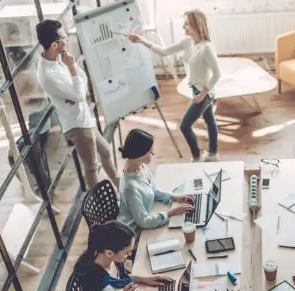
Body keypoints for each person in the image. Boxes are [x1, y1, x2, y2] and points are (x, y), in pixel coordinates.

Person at [36, 19, 119, 189]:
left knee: (105, 151)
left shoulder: (58, 59)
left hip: (84, 118)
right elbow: (81, 94)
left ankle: (120, 185)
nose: (67, 39)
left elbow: (82, 81)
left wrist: (74, 73)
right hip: (78, 125)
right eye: (64, 37)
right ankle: (100, 206)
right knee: (91, 167)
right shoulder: (50, 74)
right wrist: (73, 68)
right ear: (54, 45)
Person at [129, 9, 221, 162]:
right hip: (196, 89)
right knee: (210, 121)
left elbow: (217, 74)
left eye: (186, 24)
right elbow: (164, 52)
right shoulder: (187, 42)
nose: (183, 27)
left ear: (196, 26)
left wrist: (203, 94)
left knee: (185, 126)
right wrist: (141, 41)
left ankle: (197, 157)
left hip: (204, 92)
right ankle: (213, 154)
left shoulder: (207, 48)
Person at [117, 129, 194, 236]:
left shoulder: (140, 165)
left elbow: (152, 190)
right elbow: (144, 222)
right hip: (136, 233)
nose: (152, 154)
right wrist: (171, 213)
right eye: (150, 151)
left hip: (150, 215)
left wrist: (173, 197)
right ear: (140, 152)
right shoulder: (130, 188)